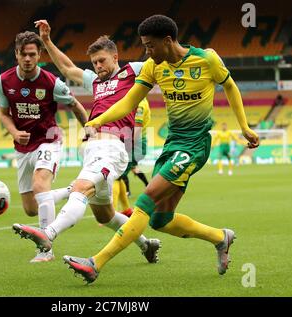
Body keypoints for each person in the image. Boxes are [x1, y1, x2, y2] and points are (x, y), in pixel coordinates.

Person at [63, 14, 260, 283]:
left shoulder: (207, 59)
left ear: (167, 41)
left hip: (195, 145)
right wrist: (95, 121)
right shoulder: (153, 67)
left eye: (150, 45)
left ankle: (96, 263)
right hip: (173, 144)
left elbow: (230, 86)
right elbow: (129, 103)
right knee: (160, 220)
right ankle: (220, 237)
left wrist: (245, 127)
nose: (147, 51)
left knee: (145, 200)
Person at [11, 20, 161, 264]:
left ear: (115, 56)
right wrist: (47, 42)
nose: (98, 66)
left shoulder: (133, 71)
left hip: (114, 147)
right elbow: (69, 69)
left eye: (102, 60)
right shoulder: (96, 81)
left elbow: (162, 59)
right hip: (93, 148)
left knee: (80, 189)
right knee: (106, 216)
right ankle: (147, 245)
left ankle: (47, 234)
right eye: (94, 63)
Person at [0, 31, 89, 262]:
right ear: (16, 54)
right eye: (23, 54)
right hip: (22, 148)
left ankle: (45, 249)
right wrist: (15, 132)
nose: (27, 59)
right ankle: (70, 191)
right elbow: (3, 114)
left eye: (32, 54)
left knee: (40, 185)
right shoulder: (4, 81)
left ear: (39, 56)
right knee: (30, 208)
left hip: (49, 140)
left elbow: (76, 106)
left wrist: (90, 130)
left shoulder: (51, 82)